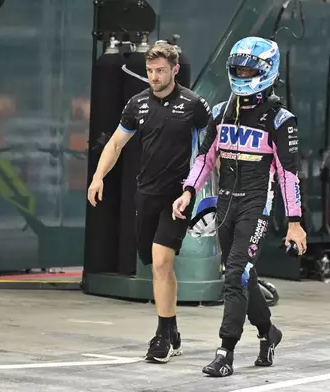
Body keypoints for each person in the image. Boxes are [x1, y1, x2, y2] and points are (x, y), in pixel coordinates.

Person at [172, 36, 307, 377]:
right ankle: (268, 332)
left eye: (250, 69)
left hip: (257, 206)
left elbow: (288, 174)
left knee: (234, 275)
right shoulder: (220, 112)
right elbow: (204, 158)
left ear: (268, 71)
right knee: (243, 276)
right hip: (226, 206)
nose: (243, 74)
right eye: (238, 68)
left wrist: (295, 222)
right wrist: (189, 192)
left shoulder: (280, 119)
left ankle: (225, 351)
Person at [87, 42, 214, 363]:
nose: (154, 77)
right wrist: (98, 177)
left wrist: (195, 190)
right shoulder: (137, 104)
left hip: (179, 195)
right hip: (146, 195)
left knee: (161, 261)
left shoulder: (193, 104)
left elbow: (210, 153)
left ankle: (160, 336)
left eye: (160, 71)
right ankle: (172, 329)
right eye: (150, 71)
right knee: (154, 262)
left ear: (174, 70)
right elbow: (116, 143)